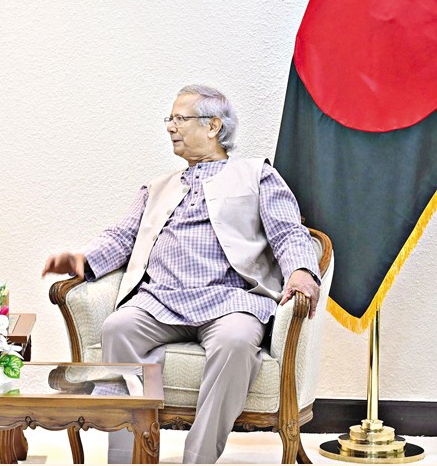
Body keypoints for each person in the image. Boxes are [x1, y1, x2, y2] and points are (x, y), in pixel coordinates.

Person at [42, 84, 320, 464]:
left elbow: (289, 232)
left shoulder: (256, 175)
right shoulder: (158, 187)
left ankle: (198, 459)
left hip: (230, 299)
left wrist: (302, 271)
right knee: (117, 327)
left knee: (237, 342)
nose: (170, 127)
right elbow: (123, 235)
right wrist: (82, 260)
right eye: (169, 119)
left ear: (213, 126)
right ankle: (128, 458)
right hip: (160, 299)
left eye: (180, 118)